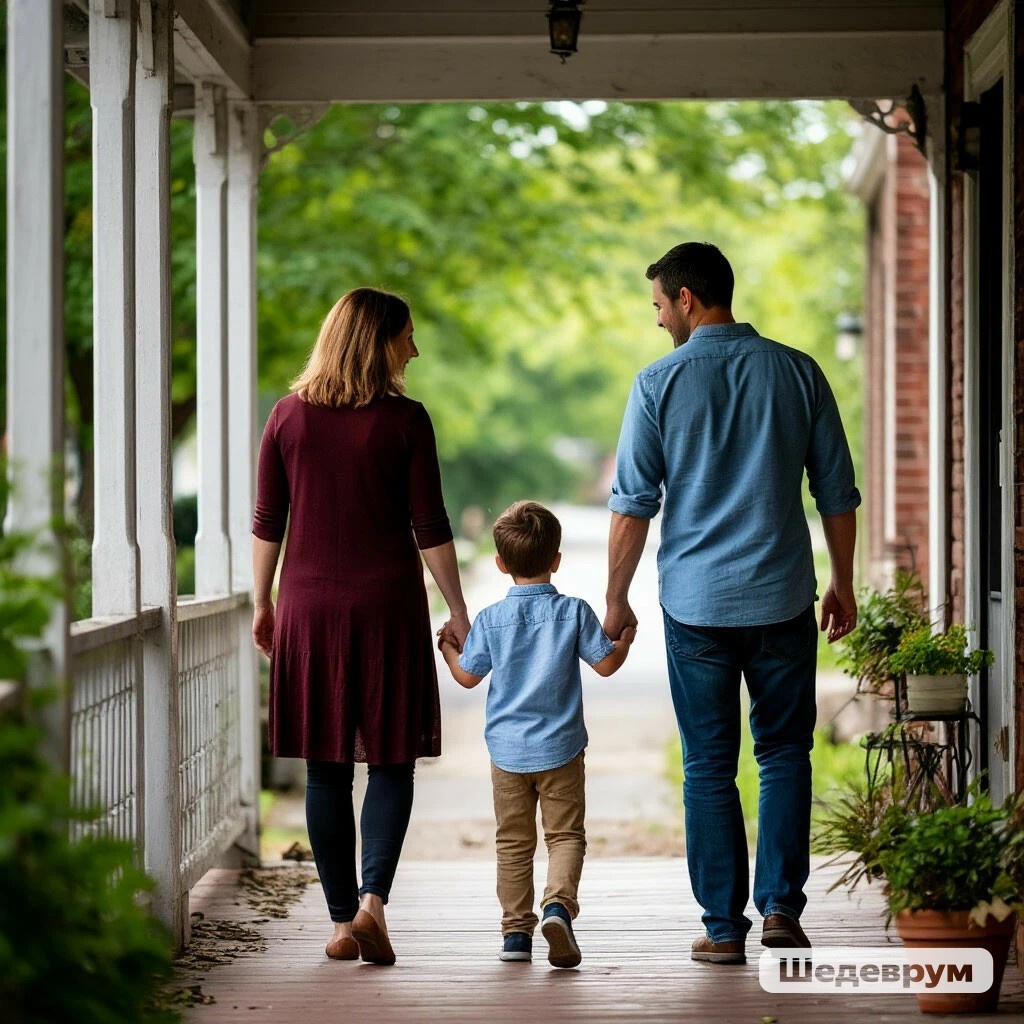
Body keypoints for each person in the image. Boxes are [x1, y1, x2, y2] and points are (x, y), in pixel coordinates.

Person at [604, 242, 860, 965]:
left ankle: (722, 928)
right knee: (784, 753)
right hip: (782, 597)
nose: (658, 319)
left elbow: (632, 505)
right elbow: (836, 492)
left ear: (686, 298)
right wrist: (842, 580)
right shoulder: (799, 371)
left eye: (660, 305)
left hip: (696, 606)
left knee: (709, 765)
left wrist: (615, 599)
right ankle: (780, 908)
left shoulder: (657, 384)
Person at [251, 286, 470, 966]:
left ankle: (343, 922)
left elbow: (267, 521)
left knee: (326, 769)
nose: (415, 349)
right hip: (387, 606)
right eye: (407, 336)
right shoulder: (406, 421)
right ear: (378, 343)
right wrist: (458, 608)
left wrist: (262, 602)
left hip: (309, 607)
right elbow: (430, 524)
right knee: (391, 760)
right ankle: (374, 902)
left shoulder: (287, 417)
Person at [438, 501, 635, 968]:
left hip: (507, 753)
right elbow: (606, 664)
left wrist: (447, 649)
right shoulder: (573, 612)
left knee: (513, 842)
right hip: (561, 749)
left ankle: (515, 936)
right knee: (564, 836)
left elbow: (467, 677)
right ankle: (558, 908)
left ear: (500, 564)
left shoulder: (490, 620)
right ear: (556, 560)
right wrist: (625, 640)